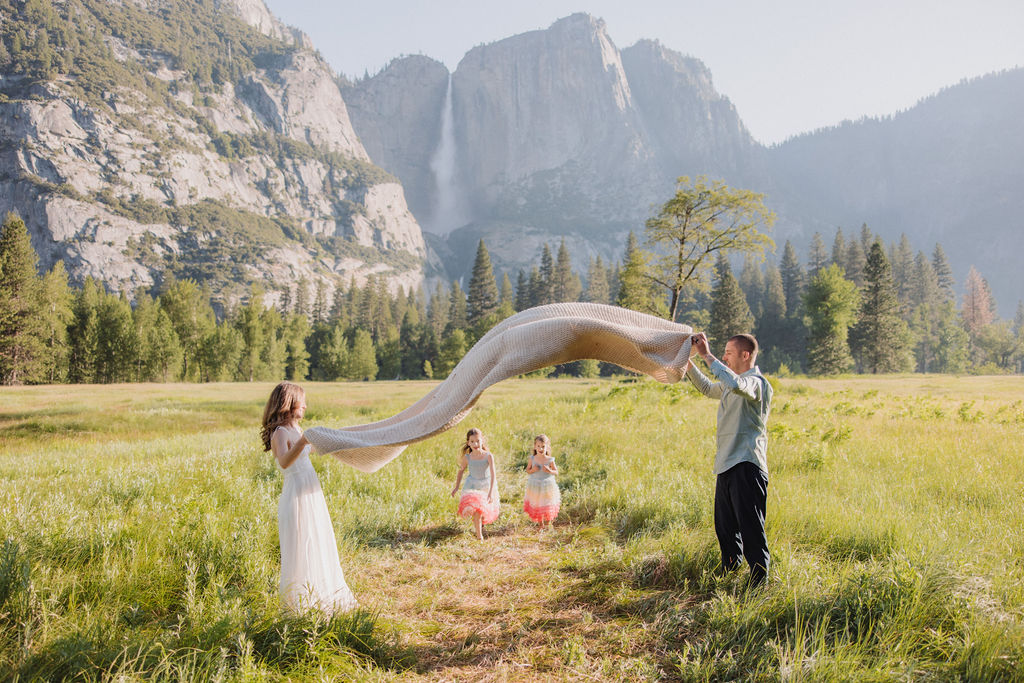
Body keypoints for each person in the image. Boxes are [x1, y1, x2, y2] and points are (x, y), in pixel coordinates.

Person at [684, 332, 773, 588]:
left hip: (747, 464)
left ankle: (759, 584)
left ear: (745, 355)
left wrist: (706, 355)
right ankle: (729, 574)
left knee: (751, 529)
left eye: (729, 353)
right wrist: (688, 362)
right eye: (722, 353)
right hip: (726, 464)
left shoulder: (756, 383)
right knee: (725, 528)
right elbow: (707, 388)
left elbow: (735, 385)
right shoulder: (730, 382)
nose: (724, 357)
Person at [261, 381, 357, 613]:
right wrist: (304, 441)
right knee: (301, 544)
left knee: (317, 540)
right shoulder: (280, 433)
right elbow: (284, 462)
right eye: (301, 401)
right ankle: (299, 604)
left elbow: (311, 450)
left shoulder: (297, 430)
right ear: (289, 402)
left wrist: (341, 439)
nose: (305, 405)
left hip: (311, 492)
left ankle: (323, 594)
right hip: (296, 495)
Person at [450, 427, 500, 540]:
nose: (475, 443)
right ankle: (479, 537)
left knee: (482, 511)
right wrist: (456, 487)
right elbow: (461, 471)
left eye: (477, 441)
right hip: (472, 486)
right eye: (472, 441)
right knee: (477, 511)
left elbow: (493, 475)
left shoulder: (488, 456)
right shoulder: (468, 457)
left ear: (482, 440)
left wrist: (491, 492)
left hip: (486, 486)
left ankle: (481, 526)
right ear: (468, 443)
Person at [523, 434, 560, 527]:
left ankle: (547, 524)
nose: (541, 449)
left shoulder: (550, 460)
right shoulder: (533, 458)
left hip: (547, 485)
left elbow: (556, 472)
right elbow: (527, 470)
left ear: (547, 447)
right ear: (535, 447)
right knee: (538, 504)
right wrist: (532, 470)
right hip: (535, 484)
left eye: (543, 446)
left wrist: (550, 471)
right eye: (538, 446)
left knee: (547, 504)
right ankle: (540, 525)